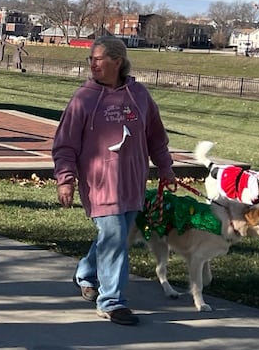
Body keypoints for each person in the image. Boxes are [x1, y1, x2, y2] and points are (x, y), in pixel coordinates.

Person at [52, 35, 177, 326]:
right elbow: (65, 145)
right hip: (99, 182)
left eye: (98, 59)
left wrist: (166, 168)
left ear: (117, 61)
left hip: (132, 182)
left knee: (114, 237)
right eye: (90, 60)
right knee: (115, 238)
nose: (92, 64)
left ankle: (85, 272)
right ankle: (111, 302)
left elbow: (156, 137)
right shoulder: (83, 98)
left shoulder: (140, 95)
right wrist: (65, 179)